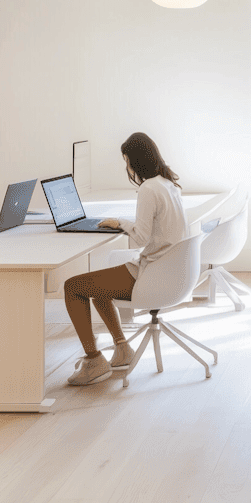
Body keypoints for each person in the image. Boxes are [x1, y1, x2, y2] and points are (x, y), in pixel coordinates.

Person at [63, 132, 187, 386]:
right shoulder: (168, 184)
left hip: (153, 275)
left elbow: (141, 237)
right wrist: (123, 223)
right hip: (173, 273)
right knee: (98, 287)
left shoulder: (149, 188)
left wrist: (120, 223)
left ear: (135, 161)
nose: (126, 166)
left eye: (126, 160)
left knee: (73, 287)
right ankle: (122, 349)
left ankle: (94, 359)